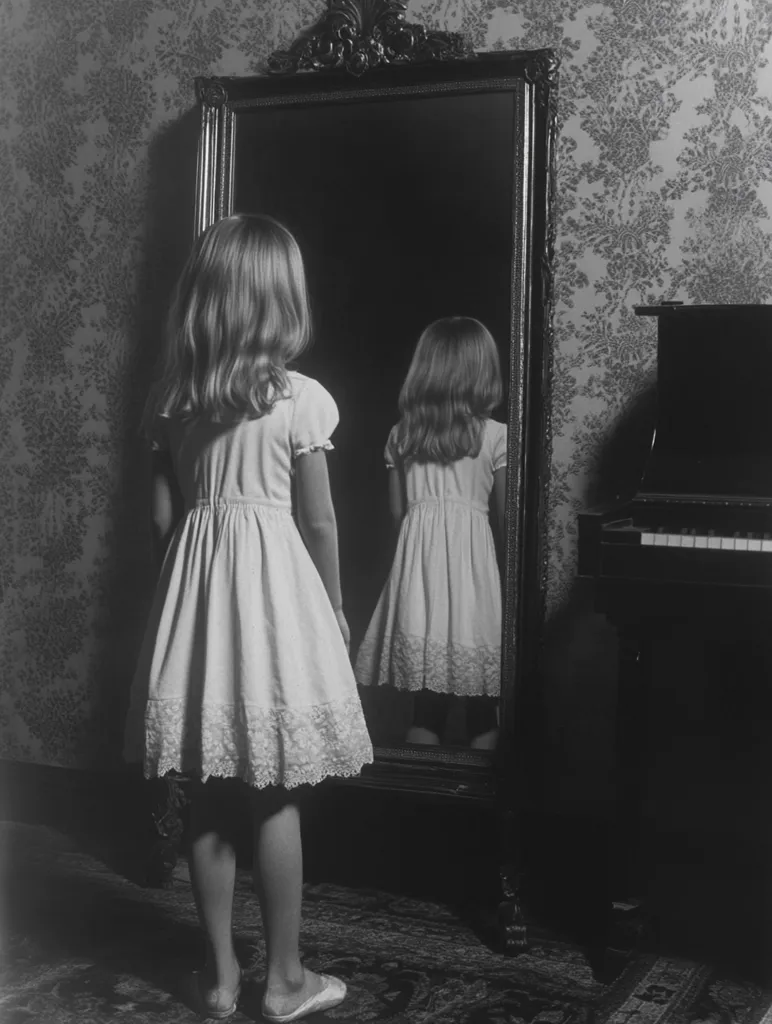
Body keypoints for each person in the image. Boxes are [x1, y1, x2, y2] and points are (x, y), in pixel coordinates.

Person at [123, 213, 373, 1022]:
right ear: (281, 300)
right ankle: (286, 981)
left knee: (207, 794)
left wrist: (183, 606)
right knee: (276, 795)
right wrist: (334, 607)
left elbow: (163, 525)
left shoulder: (173, 397)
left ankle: (223, 977)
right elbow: (322, 523)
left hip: (197, 599)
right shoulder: (301, 399)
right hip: (272, 603)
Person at [354, 316, 506, 749]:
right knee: (483, 712)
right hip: (473, 584)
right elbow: (505, 522)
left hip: (419, 586)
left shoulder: (402, 436)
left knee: (426, 709)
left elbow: (398, 514)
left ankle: (422, 811)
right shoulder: (496, 437)